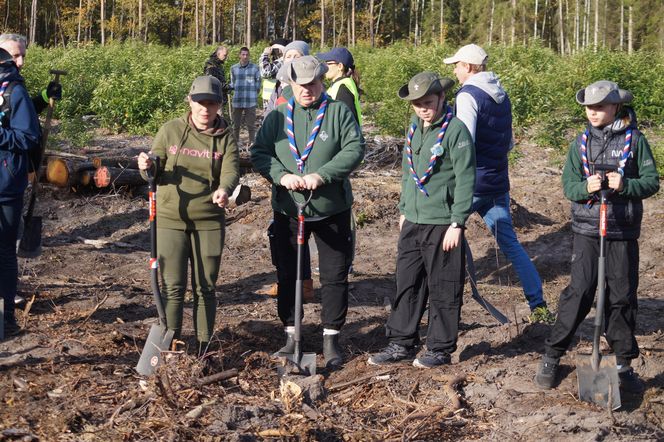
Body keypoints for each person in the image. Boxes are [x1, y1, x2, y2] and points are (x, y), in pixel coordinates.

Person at [534, 81, 659, 393]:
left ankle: (623, 364)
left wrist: (625, 185)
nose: (593, 112)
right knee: (579, 292)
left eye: (600, 106)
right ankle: (553, 354)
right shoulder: (580, 143)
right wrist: (585, 188)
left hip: (622, 231)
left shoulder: (636, 140)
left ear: (616, 106)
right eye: (589, 107)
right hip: (588, 231)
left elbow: (651, 181)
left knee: (622, 295)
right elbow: (569, 185)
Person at [251, 56, 365, 368]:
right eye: (301, 85)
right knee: (288, 274)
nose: (307, 90)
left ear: (321, 82)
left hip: (331, 209)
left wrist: (323, 175)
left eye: (313, 84)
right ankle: (291, 334)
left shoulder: (338, 113)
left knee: (334, 276)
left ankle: (331, 338)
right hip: (289, 209)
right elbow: (259, 152)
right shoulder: (277, 116)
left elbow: (355, 149)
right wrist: (281, 176)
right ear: (291, 84)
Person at [367, 72, 476, 369]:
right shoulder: (415, 128)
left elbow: (466, 179)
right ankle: (401, 342)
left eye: (428, 102)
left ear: (442, 97)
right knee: (407, 283)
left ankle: (440, 348)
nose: (422, 108)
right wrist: (403, 210)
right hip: (413, 220)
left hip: (443, 224)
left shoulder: (456, 131)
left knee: (444, 286)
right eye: (417, 104)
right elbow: (407, 172)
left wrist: (458, 223)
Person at [443, 43, 553, 324]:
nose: (454, 70)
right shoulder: (501, 94)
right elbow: (510, 142)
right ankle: (538, 305)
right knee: (512, 245)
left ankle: (444, 311)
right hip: (498, 182)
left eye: (457, 65)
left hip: (472, 184)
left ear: (468, 66)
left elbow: (463, 141)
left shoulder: (468, 95)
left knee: (441, 239)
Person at [137, 75, 239, 351]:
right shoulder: (170, 130)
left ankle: (203, 348)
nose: (205, 109)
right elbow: (154, 166)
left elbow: (231, 170)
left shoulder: (226, 137)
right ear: (190, 102)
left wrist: (225, 189)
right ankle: (170, 348)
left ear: (220, 105)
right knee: (173, 287)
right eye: (199, 102)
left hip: (209, 220)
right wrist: (147, 164)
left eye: (211, 103)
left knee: (206, 287)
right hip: (170, 219)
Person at [0, 47, 41, 336]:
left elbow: (28, 137)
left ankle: (6, 318)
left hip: (6, 185)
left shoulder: (14, 92)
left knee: (3, 251)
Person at [0, 33, 62, 115]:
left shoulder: (13, 81)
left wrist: (45, 96)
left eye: (23, 56)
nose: (21, 62)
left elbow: (23, 112)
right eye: (15, 56)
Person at [317, 47, 362, 125]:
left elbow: (348, 122)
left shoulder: (342, 88)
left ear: (340, 66)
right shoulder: (340, 84)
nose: (325, 67)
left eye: (328, 64)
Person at [264, 40, 310, 114]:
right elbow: (270, 110)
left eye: (296, 56)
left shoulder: (310, 83)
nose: (292, 60)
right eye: (288, 56)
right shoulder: (281, 81)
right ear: (284, 60)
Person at [230, 47, 260, 148]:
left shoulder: (255, 68)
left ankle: (252, 142)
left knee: (251, 124)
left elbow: (258, 83)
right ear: (239, 55)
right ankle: (236, 142)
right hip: (237, 100)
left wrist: (254, 94)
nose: (245, 56)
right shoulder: (233, 68)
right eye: (243, 54)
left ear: (249, 55)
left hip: (250, 100)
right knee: (236, 124)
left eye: (247, 55)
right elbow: (232, 83)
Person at [259, 38, 289, 109]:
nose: (272, 52)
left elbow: (264, 72)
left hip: (277, 98)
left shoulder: (282, 62)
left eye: (274, 50)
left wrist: (265, 55)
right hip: (271, 98)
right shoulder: (276, 62)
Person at [203, 45, 230, 110]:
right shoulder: (211, 66)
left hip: (219, 98)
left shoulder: (218, 64)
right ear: (218, 54)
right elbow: (213, 83)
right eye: (225, 55)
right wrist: (227, 86)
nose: (226, 57)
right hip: (214, 99)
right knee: (217, 118)